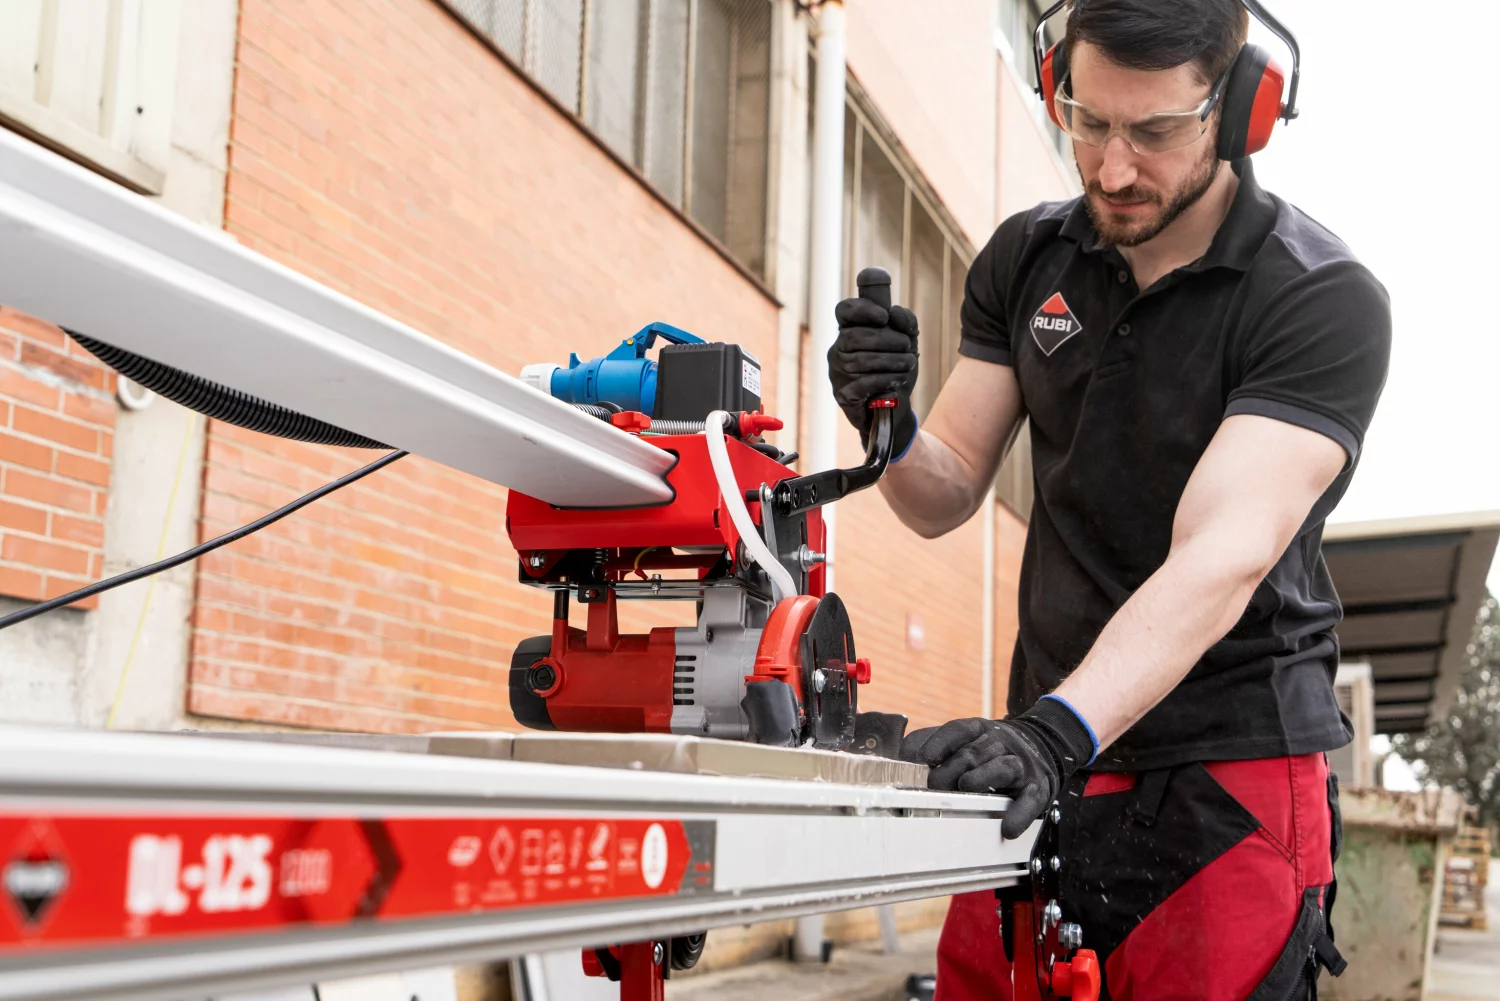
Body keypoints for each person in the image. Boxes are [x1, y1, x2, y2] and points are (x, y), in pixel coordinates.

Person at [827, 1, 1390, 997]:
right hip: (1041, 755)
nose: (1114, 169)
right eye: (1088, 122)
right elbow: (940, 492)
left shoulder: (1317, 296)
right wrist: (888, 421)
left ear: (1241, 108)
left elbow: (1222, 551)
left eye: (1157, 131)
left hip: (1227, 768)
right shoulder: (1028, 258)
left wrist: (1056, 732)